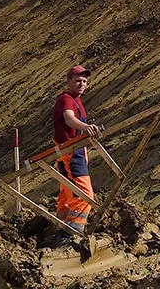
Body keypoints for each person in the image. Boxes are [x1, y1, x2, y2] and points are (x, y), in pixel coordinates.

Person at [52, 65, 100, 237]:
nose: (82, 84)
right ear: (69, 81)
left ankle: (61, 227)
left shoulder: (75, 100)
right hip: (71, 151)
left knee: (67, 192)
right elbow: (69, 119)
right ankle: (72, 232)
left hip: (73, 149)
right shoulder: (66, 100)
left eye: (85, 81)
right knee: (84, 194)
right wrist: (86, 127)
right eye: (78, 80)